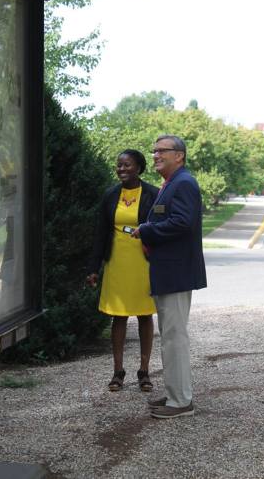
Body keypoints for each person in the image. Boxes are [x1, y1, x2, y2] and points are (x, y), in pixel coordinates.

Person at [132, 135, 207, 419]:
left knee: (174, 337)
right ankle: (176, 393)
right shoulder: (173, 183)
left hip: (176, 271)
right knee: (170, 336)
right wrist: (149, 226)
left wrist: (148, 230)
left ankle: (181, 402)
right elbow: (171, 219)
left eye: (162, 150)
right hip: (168, 270)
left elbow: (183, 223)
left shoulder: (184, 183)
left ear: (180, 156)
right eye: (153, 151)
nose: (155, 155)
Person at [87, 149, 159, 392]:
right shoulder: (110, 195)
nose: (122, 169)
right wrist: (94, 268)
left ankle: (144, 371)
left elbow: (161, 229)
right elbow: (99, 233)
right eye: (119, 165)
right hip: (116, 261)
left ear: (139, 167)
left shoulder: (153, 194)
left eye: (127, 165)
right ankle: (118, 372)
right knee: (118, 316)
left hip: (143, 262)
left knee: (144, 315)